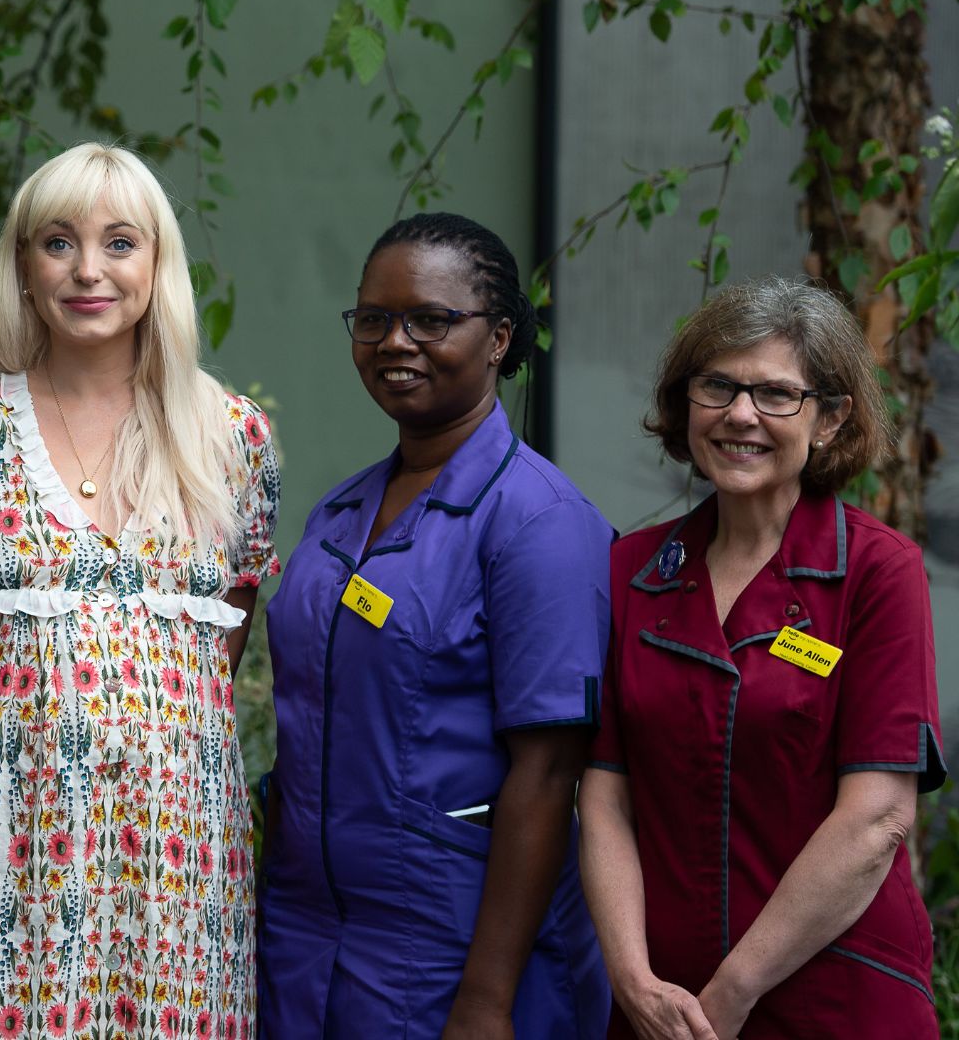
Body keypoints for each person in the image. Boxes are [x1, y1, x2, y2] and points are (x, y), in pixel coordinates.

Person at [0, 141, 281, 1038]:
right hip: (5, 839)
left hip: (181, 850)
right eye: (59, 243)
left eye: (119, 243)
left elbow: (223, 637)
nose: (88, 270)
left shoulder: (230, 436)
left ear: (157, 264)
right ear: (23, 267)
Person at [259, 212, 613, 1037]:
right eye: (374, 319)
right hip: (307, 940)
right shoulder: (342, 510)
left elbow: (549, 774)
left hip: (449, 947)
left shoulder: (539, 522)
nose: (395, 341)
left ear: (497, 339)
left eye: (432, 319)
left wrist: (486, 1002)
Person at [580, 276, 944, 1039]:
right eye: (718, 386)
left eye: (777, 394)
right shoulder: (633, 571)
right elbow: (605, 792)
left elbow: (877, 818)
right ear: (687, 403)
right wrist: (632, 979)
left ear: (832, 418)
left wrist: (729, 995)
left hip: (833, 1000)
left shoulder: (880, 572)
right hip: (659, 1005)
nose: (741, 415)